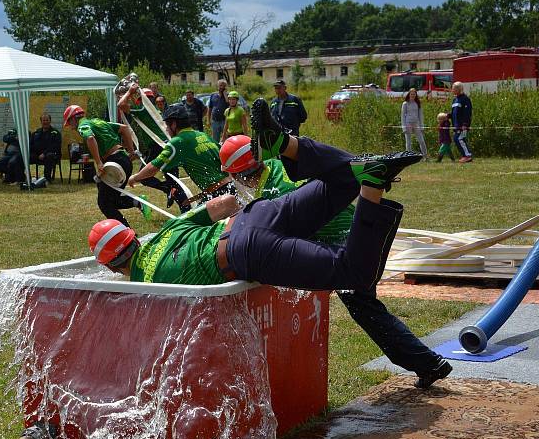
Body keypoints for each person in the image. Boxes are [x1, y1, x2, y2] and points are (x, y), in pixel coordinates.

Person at [89, 99, 447, 388]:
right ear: (134, 237)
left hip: (257, 247)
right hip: (254, 221)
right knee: (345, 179)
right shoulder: (167, 235)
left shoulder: (146, 284)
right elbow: (219, 207)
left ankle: (372, 186)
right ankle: (292, 143)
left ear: (109, 265)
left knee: (356, 277)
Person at [218, 132, 452, 387]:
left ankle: (427, 363)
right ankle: (428, 364)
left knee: (363, 303)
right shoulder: (275, 167)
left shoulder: (272, 189)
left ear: (239, 174)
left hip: (348, 239)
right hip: (349, 229)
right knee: (365, 307)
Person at [127, 103, 231, 206]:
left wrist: (135, 177)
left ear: (174, 124)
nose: (166, 129)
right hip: (229, 187)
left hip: (218, 195)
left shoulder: (178, 142)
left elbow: (153, 167)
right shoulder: (203, 135)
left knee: (181, 223)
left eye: (167, 125)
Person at [64, 105, 147, 226]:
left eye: (70, 123)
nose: (71, 128)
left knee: (105, 204)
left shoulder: (83, 125)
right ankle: (138, 202)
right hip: (124, 161)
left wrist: (98, 162)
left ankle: (129, 235)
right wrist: (131, 151)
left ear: (73, 119)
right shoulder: (99, 121)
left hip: (114, 162)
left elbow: (90, 138)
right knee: (111, 200)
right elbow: (124, 128)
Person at [117, 84, 189, 210]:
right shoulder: (152, 109)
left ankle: (170, 191)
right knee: (174, 181)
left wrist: (129, 92)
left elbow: (121, 105)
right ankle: (183, 206)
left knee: (145, 177)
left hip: (157, 146)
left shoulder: (143, 109)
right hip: (165, 144)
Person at [30, 113, 62, 182]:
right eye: (43, 120)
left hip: (51, 155)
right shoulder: (36, 133)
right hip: (38, 155)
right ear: (41, 122)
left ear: (50, 121)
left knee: (49, 156)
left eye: (47, 120)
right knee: (24, 156)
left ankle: (46, 179)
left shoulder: (55, 133)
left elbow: (55, 146)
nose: (45, 122)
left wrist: (44, 153)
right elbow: (31, 145)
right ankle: (23, 178)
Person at [401, 88, 427, 157]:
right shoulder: (405, 103)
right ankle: (408, 157)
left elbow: (420, 115)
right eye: (411, 94)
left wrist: (422, 126)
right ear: (409, 94)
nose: (413, 95)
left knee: (421, 141)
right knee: (408, 142)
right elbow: (403, 116)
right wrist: (404, 127)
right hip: (408, 124)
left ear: (416, 95)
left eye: (414, 94)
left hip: (416, 123)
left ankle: (425, 156)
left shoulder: (418, 103)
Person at [451, 82, 473, 163]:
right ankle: (465, 155)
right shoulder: (454, 100)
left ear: (459, 89)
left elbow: (467, 113)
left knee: (458, 139)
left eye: (453, 88)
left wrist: (465, 124)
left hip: (462, 125)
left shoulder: (465, 99)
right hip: (456, 125)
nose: (452, 90)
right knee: (459, 139)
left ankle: (467, 156)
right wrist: (447, 116)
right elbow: (454, 113)